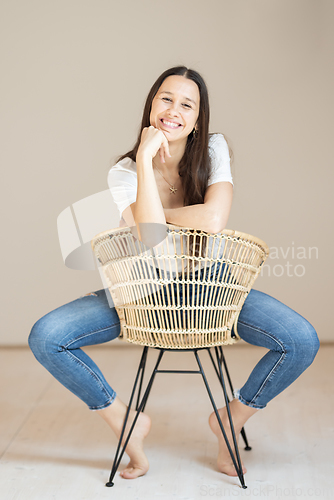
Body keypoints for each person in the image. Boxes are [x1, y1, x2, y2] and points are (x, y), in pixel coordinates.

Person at [29, 66, 319, 480]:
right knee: (47, 336)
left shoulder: (214, 148)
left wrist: (154, 218)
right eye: (166, 98)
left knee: (301, 340)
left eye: (187, 104)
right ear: (151, 104)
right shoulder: (125, 171)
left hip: (213, 287)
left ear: (198, 120)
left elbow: (214, 219)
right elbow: (149, 240)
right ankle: (126, 421)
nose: (174, 110)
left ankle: (228, 420)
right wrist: (146, 160)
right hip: (144, 290)